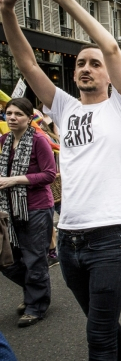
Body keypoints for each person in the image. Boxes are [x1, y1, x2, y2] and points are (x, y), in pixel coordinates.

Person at [0, 0, 121, 361]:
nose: (87, 68)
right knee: (102, 321)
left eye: (95, 64)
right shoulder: (63, 107)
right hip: (71, 239)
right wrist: (7, 11)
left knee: (96, 333)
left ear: (110, 75)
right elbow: (26, 64)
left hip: (112, 238)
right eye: (81, 63)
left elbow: (111, 47)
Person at [0, 98, 56, 328]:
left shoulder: (39, 140)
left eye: (18, 114)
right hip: (7, 209)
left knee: (34, 259)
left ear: (29, 117)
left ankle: (36, 305)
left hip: (36, 208)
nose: (12, 118)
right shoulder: (3, 140)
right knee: (8, 260)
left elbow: (49, 174)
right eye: (8, 113)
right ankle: (33, 290)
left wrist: (14, 180)